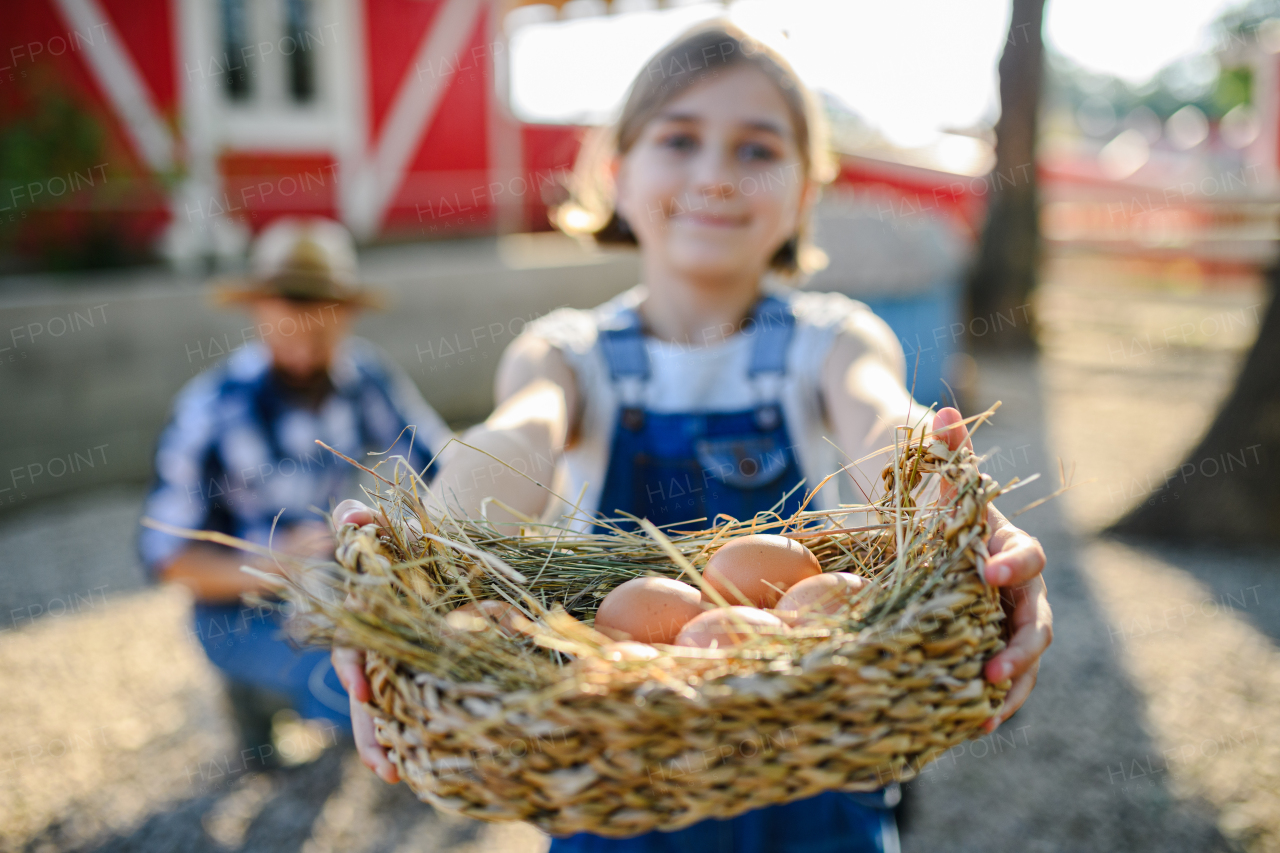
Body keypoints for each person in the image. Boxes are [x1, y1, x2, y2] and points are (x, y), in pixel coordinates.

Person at [332, 24, 1052, 852]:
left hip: (813, 753)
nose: (714, 174)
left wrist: (956, 506)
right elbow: (516, 435)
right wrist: (423, 546)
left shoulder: (833, 340)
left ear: (804, 194)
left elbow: (882, 415)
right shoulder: (568, 354)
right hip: (613, 769)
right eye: (679, 139)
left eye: (757, 148)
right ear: (616, 172)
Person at [139, 216, 453, 762]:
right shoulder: (209, 411)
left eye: (322, 333)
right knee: (362, 691)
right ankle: (263, 691)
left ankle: (292, 695)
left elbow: (439, 464)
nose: (307, 354)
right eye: (291, 330)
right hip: (237, 607)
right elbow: (168, 560)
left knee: (404, 657)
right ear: (259, 312)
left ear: (348, 316)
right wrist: (275, 563)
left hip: (328, 585)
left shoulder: (365, 381)